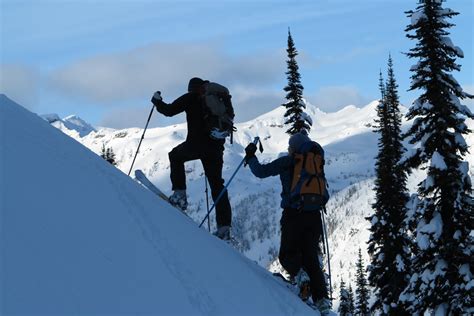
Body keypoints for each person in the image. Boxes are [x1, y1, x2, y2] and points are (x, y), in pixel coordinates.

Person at [244, 132, 331, 314]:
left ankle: (301, 277)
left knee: (286, 255)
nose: (288, 149)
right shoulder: (316, 162)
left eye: (290, 147)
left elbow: (260, 172)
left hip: (293, 215)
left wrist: (251, 156)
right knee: (311, 259)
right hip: (314, 217)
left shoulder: (288, 161)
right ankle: (322, 302)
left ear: (294, 148)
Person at [151, 77, 234, 240]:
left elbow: (168, 111)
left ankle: (180, 196)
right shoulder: (219, 99)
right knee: (217, 185)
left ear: (192, 88)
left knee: (175, 156)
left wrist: (156, 101)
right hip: (216, 147)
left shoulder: (191, 97)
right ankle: (224, 227)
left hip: (196, 144)